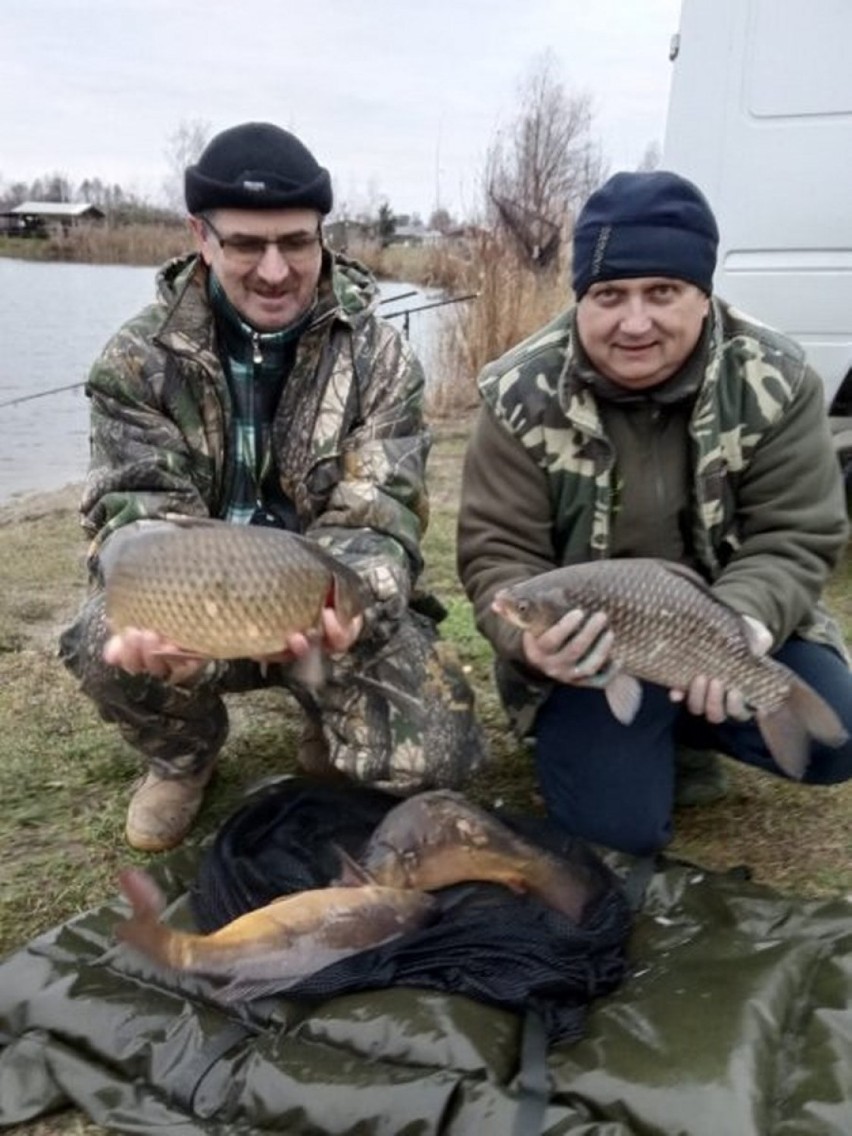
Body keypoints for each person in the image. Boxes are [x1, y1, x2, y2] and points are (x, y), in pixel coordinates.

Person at [60, 121, 486, 853]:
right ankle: (184, 756)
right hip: (203, 601)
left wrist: (352, 603)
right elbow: (135, 511)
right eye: (247, 245)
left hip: (317, 604)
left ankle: (331, 718)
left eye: (295, 241)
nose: (275, 270)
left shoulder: (380, 356)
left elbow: (381, 516)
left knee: (443, 751)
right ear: (202, 236)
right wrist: (171, 629)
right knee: (103, 634)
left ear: (323, 232)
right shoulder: (135, 360)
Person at [457, 169, 852, 857]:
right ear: (581, 299)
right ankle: (649, 741)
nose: (634, 322)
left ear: (703, 296)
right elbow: (496, 553)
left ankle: (697, 724)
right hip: (590, 655)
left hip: (731, 625)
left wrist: (745, 626)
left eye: (662, 292)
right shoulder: (520, 391)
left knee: (837, 742)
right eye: (609, 295)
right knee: (616, 831)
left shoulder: (775, 379)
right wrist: (533, 644)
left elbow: (796, 534)